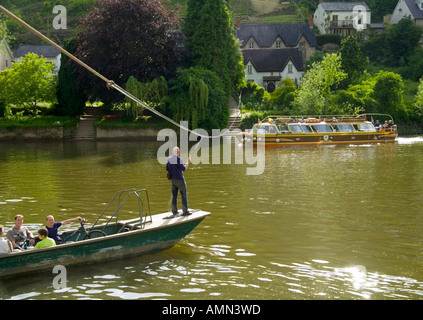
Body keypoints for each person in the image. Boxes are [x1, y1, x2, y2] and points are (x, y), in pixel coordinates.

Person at [166, 146, 191, 216]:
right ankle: (185, 211)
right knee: (183, 194)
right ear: (178, 152)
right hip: (180, 179)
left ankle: (174, 211)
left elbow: (167, 168)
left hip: (173, 180)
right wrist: (187, 162)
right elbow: (183, 169)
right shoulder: (179, 159)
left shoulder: (169, 159)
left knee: (174, 195)